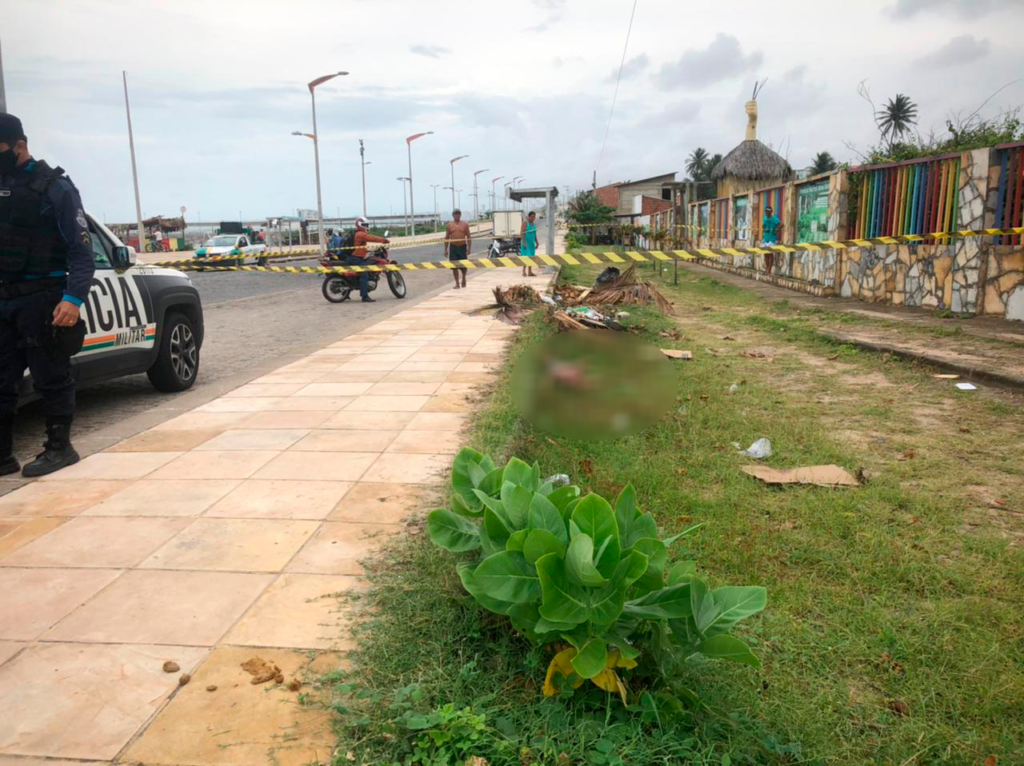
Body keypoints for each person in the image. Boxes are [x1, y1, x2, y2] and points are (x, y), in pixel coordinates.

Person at [0, 113, 95, 477]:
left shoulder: (56, 187)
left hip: (43, 298)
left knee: (50, 376)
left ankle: (60, 448)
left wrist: (73, 299)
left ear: (19, 145)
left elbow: (81, 252)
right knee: (1, 378)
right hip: (3, 299)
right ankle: (3, 455)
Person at [349, 217, 388, 302]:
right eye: (365, 225)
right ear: (360, 225)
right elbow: (372, 238)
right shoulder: (360, 234)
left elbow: (360, 247)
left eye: (366, 225)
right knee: (364, 274)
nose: (366, 226)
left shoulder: (356, 233)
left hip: (354, 256)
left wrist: (368, 251)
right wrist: (383, 240)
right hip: (355, 258)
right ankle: (364, 296)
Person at [444, 209, 471, 289]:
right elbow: (446, 238)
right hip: (453, 247)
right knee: (454, 266)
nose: (457, 215)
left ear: (460, 215)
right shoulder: (449, 225)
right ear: (453, 215)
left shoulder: (465, 225)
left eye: (458, 214)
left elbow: (469, 237)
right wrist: (445, 250)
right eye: (455, 214)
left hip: (462, 247)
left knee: (463, 265)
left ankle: (463, 278)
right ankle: (457, 283)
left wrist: (469, 248)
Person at [761, 204, 781, 275]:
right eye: (766, 211)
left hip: (772, 238)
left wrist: (777, 230)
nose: (767, 213)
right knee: (765, 254)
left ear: (771, 212)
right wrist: (764, 228)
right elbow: (763, 226)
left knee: (770, 254)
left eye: (768, 211)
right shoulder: (764, 218)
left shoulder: (774, 218)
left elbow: (781, 224)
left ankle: (769, 270)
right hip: (765, 238)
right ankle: (767, 269)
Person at [520, 211, 538, 277]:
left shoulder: (534, 224)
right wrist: (524, 243)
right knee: (525, 257)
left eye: (534, 217)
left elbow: (534, 234)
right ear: (529, 216)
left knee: (531, 257)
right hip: (526, 244)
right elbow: (522, 233)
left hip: (531, 244)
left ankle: (530, 272)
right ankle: (523, 271)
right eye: (532, 217)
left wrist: (537, 242)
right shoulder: (525, 223)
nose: (533, 218)